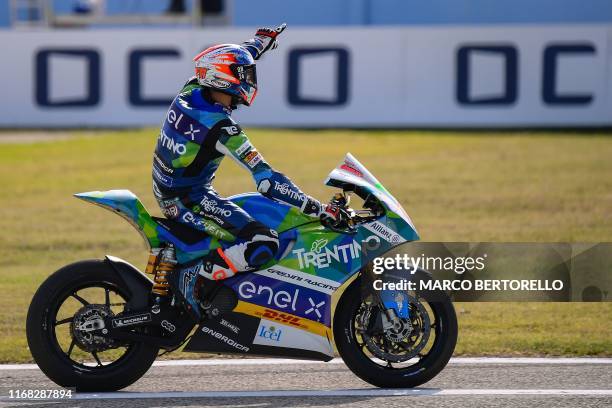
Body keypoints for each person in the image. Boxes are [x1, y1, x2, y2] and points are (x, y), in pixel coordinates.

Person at [152, 24, 341, 317]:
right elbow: (267, 181)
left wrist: (259, 42)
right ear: (224, 79)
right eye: (244, 75)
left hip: (171, 188)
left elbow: (237, 58)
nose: (249, 80)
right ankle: (196, 277)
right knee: (263, 242)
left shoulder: (192, 87)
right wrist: (318, 209)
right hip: (188, 200)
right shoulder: (221, 127)